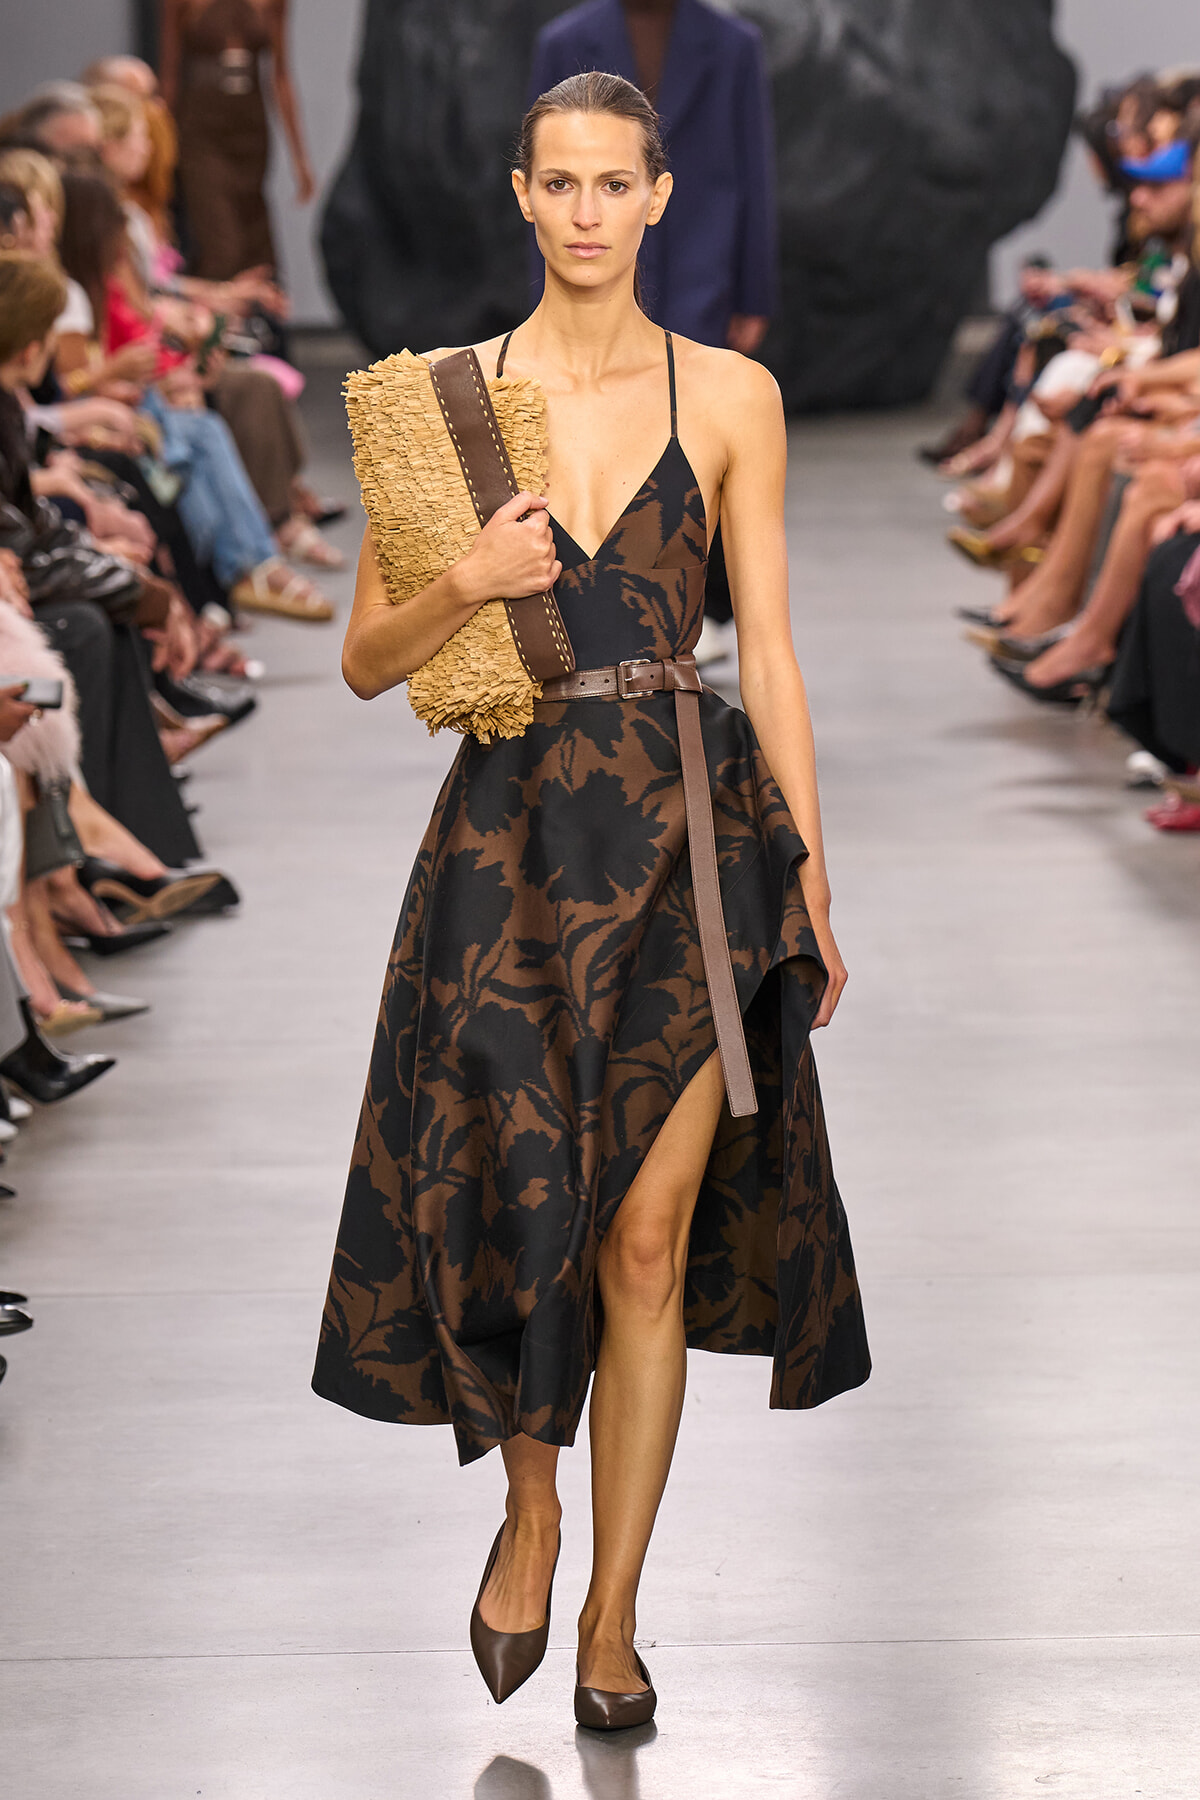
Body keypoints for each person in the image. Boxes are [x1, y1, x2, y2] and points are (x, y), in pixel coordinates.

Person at [312, 72, 868, 1728]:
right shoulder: (445, 401)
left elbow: (773, 651)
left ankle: (616, 1617)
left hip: (694, 845)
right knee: (528, 1214)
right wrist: (469, 581)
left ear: (659, 197)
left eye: (612, 183)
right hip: (509, 855)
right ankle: (532, 1507)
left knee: (642, 1236)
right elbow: (365, 660)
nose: (584, 212)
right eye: (557, 182)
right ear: (519, 194)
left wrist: (812, 881)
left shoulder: (734, 396)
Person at [529, 0, 779, 669]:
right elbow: (549, 180)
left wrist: (753, 289)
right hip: (592, 269)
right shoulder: (565, 40)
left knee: (703, 439)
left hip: (702, 261)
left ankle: (710, 608)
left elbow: (754, 170)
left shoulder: (733, 44)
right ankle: (594, 606)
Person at [160, 0, 316, 282]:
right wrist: (159, 148)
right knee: (220, 243)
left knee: (253, 238)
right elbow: (170, 75)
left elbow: (281, 76)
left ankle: (245, 308)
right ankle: (207, 304)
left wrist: (300, 157)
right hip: (200, 128)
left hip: (250, 128)